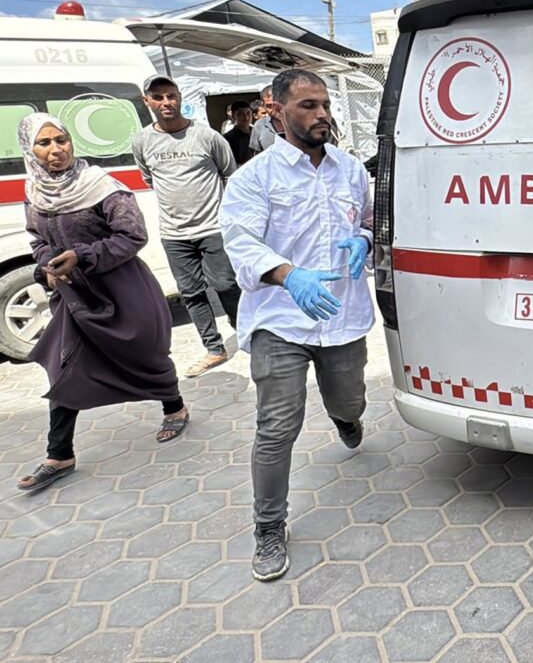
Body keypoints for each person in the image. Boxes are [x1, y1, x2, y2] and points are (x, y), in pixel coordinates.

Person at [220, 69, 374, 581]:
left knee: (348, 399)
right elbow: (241, 243)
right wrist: (288, 276)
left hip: (342, 316)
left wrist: (366, 242)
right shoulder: (254, 178)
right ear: (277, 111)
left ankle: (345, 417)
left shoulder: (351, 171)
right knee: (277, 427)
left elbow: (374, 220)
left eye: (325, 104)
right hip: (280, 320)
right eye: (308, 105)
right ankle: (268, 526)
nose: (322, 114)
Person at [16, 114, 190, 492]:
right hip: (75, 295)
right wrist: (47, 264)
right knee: (64, 367)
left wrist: (83, 256)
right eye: (43, 144)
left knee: (144, 353)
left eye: (60, 139)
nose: (55, 150)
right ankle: (59, 453)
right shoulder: (36, 193)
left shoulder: (101, 186)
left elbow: (132, 235)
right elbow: (36, 240)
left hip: (122, 286)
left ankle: (174, 406)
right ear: (30, 151)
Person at [132, 75, 240, 378]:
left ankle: (246, 332)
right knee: (191, 293)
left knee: (226, 285)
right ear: (147, 102)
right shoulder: (142, 141)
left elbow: (229, 174)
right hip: (174, 234)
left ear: (179, 97)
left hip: (213, 227)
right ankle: (214, 348)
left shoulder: (207, 137)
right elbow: (150, 179)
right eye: (158, 97)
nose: (166, 102)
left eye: (171, 96)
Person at [249, 85, 284, 154]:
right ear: (263, 105)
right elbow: (257, 156)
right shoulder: (259, 126)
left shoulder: (299, 123)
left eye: (277, 105)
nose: (274, 109)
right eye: (269, 106)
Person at [223, 100, 256, 166]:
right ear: (233, 116)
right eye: (240, 114)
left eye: (248, 113)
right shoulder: (228, 138)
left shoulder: (258, 133)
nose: (246, 117)